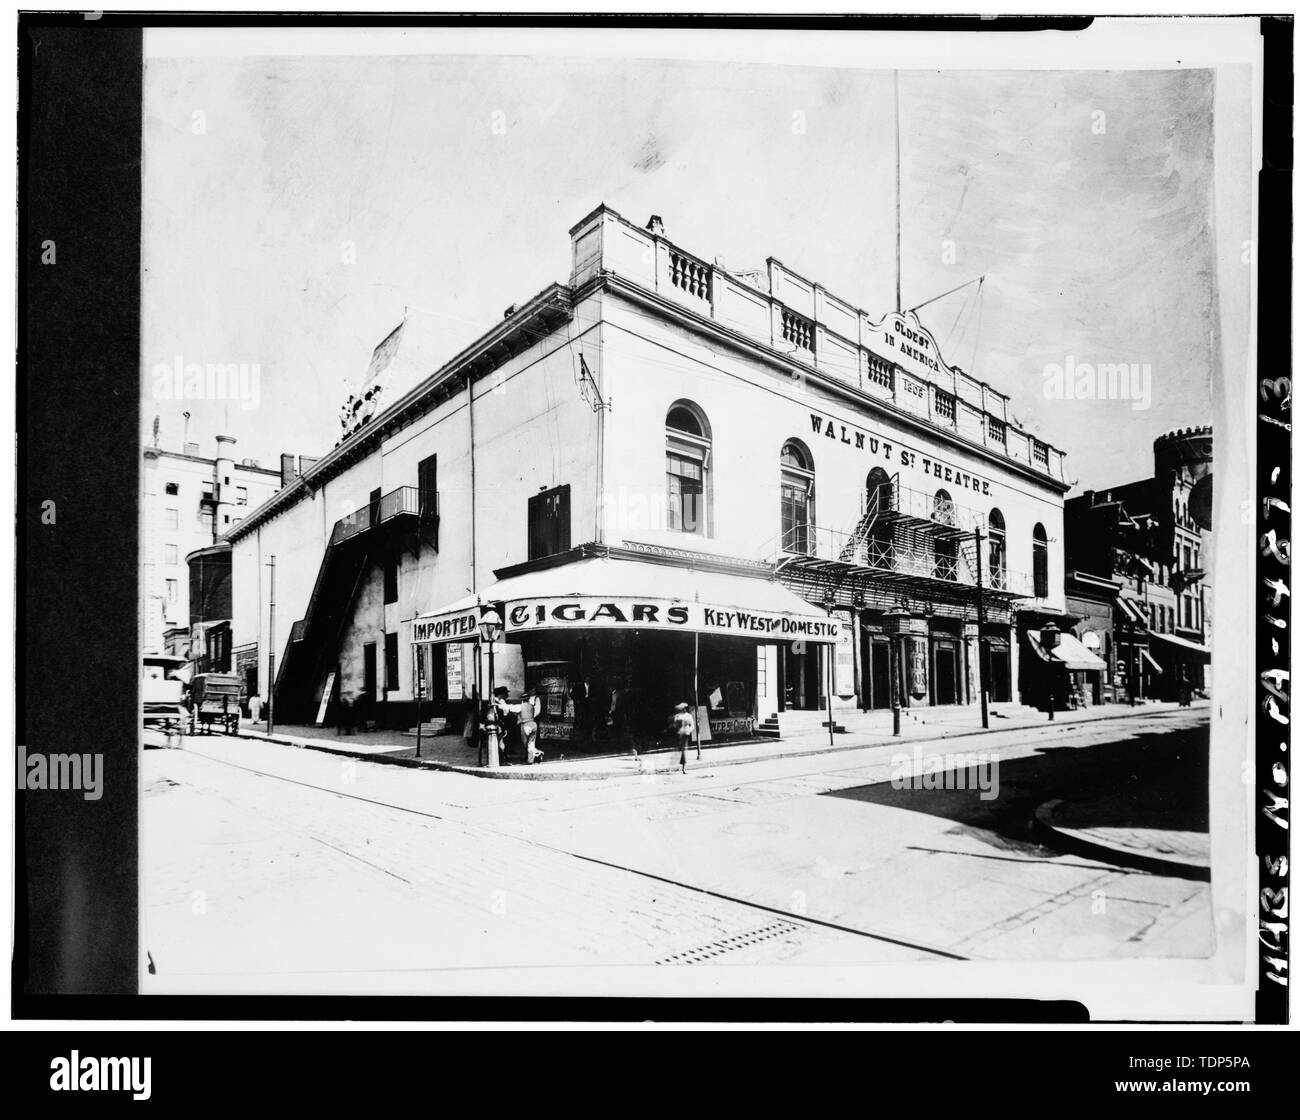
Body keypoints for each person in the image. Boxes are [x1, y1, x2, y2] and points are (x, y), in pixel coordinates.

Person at [673, 702, 696, 775]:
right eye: (683, 708)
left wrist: (688, 730)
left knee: (683, 750)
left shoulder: (689, 716)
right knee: (681, 750)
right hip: (679, 734)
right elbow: (674, 725)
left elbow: (692, 725)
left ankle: (683, 767)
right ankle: (682, 765)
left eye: (686, 708)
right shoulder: (677, 716)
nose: (685, 709)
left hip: (685, 734)